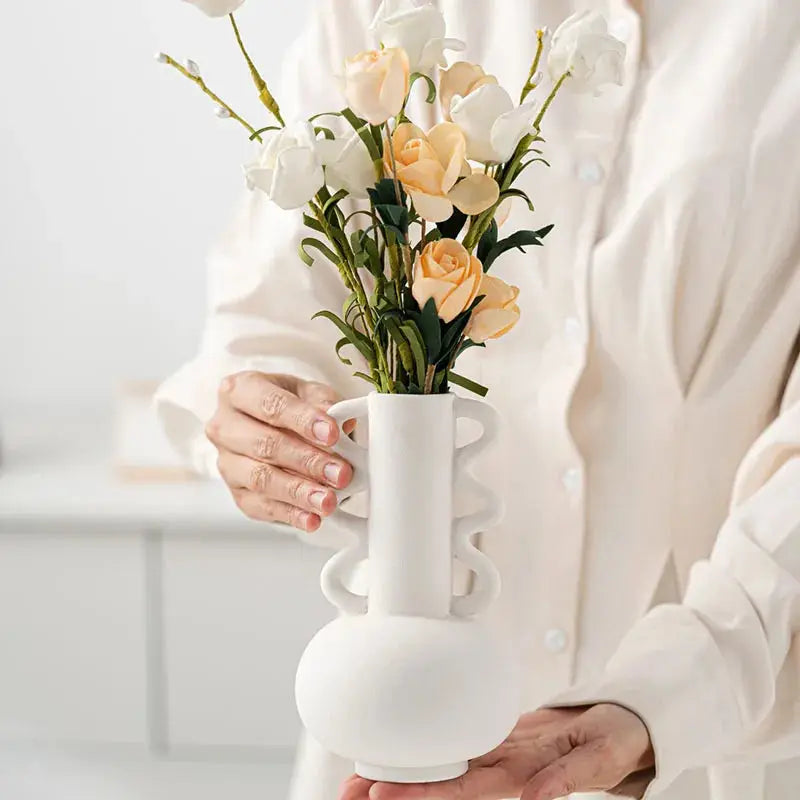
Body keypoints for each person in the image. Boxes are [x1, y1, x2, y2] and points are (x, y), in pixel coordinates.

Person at [155, 1, 800, 798]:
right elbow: (269, 308)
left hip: (712, 730)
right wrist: (267, 424)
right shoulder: (387, 13)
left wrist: (669, 695)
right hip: (402, 728)